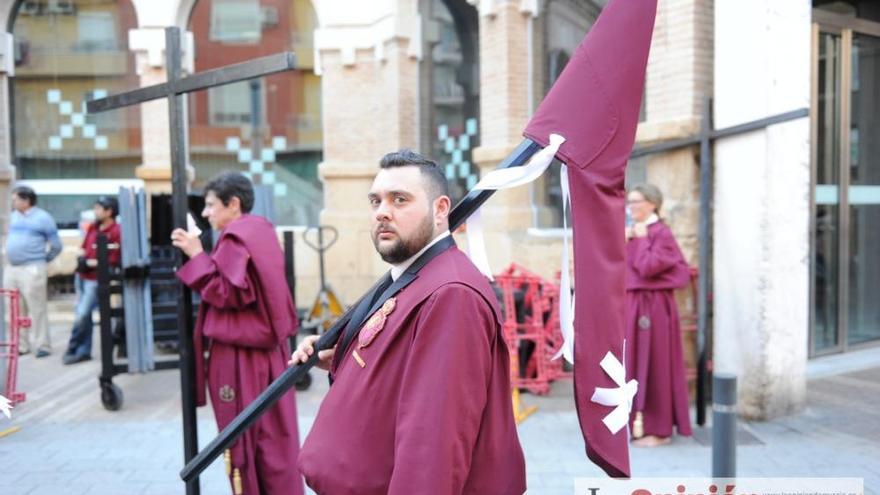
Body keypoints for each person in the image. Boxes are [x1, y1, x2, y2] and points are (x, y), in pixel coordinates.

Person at [292, 150, 526, 494]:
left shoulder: (452, 294)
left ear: (441, 209)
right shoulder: (416, 275)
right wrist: (342, 357)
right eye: (375, 201)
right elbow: (400, 361)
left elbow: (434, 446)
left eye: (399, 199)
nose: (382, 212)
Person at [171, 172, 303, 495]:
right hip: (271, 353)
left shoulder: (235, 236)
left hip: (240, 356)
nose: (206, 213)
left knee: (243, 442)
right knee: (276, 440)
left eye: (211, 205)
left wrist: (196, 255)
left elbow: (230, 293)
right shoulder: (261, 229)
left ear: (234, 204)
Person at [624, 183, 693, 447]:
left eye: (636, 202)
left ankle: (659, 429)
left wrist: (640, 239)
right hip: (634, 305)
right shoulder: (635, 232)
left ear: (652, 203)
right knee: (632, 363)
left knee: (656, 365)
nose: (631, 207)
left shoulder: (660, 233)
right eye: (629, 202)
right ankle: (635, 424)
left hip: (654, 308)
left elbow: (648, 267)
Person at [3, 185, 62, 357]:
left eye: (15, 199)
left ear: (26, 200)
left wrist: (41, 261)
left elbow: (56, 246)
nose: (13, 202)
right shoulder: (11, 218)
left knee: (37, 308)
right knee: (14, 308)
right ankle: (20, 344)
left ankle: (42, 345)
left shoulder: (43, 218)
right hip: (12, 268)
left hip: (32, 267)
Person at [62, 196, 121, 365]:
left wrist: (90, 263)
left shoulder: (116, 231)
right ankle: (83, 351)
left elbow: (113, 260)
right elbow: (83, 247)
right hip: (82, 276)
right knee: (83, 315)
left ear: (109, 211)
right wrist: (82, 259)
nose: (95, 212)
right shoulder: (93, 227)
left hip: (96, 279)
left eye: (98, 208)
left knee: (82, 314)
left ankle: (72, 348)